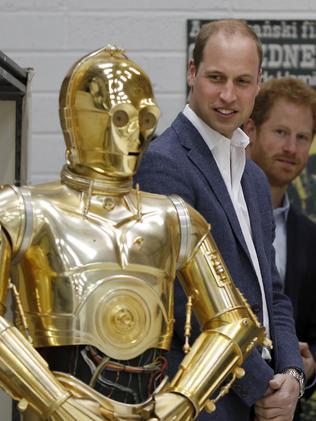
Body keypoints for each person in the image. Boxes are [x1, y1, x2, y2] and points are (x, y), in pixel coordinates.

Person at [0, 45, 267, 421]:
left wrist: (186, 396)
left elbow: (235, 321)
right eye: (121, 118)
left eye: (146, 120)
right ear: (79, 119)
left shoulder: (176, 218)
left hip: (153, 407)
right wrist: (54, 401)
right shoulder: (22, 210)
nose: (137, 137)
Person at [135, 19, 305, 421]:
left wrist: (292, 375)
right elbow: (182, 303)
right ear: (192, 73)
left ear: (258, 83)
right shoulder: (165, 163)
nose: (228, 95)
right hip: (207, 402)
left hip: (262, 397)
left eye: (242, 81)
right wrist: (265, 387)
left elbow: (272, 294)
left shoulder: (253, 177)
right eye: (216, 78)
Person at [245, 76, 316, 420]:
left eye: (302, 137)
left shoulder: (310, 237)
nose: (291, 147)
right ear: (251, 130)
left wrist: (310, 366)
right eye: (281, 132)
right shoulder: (210, 214)